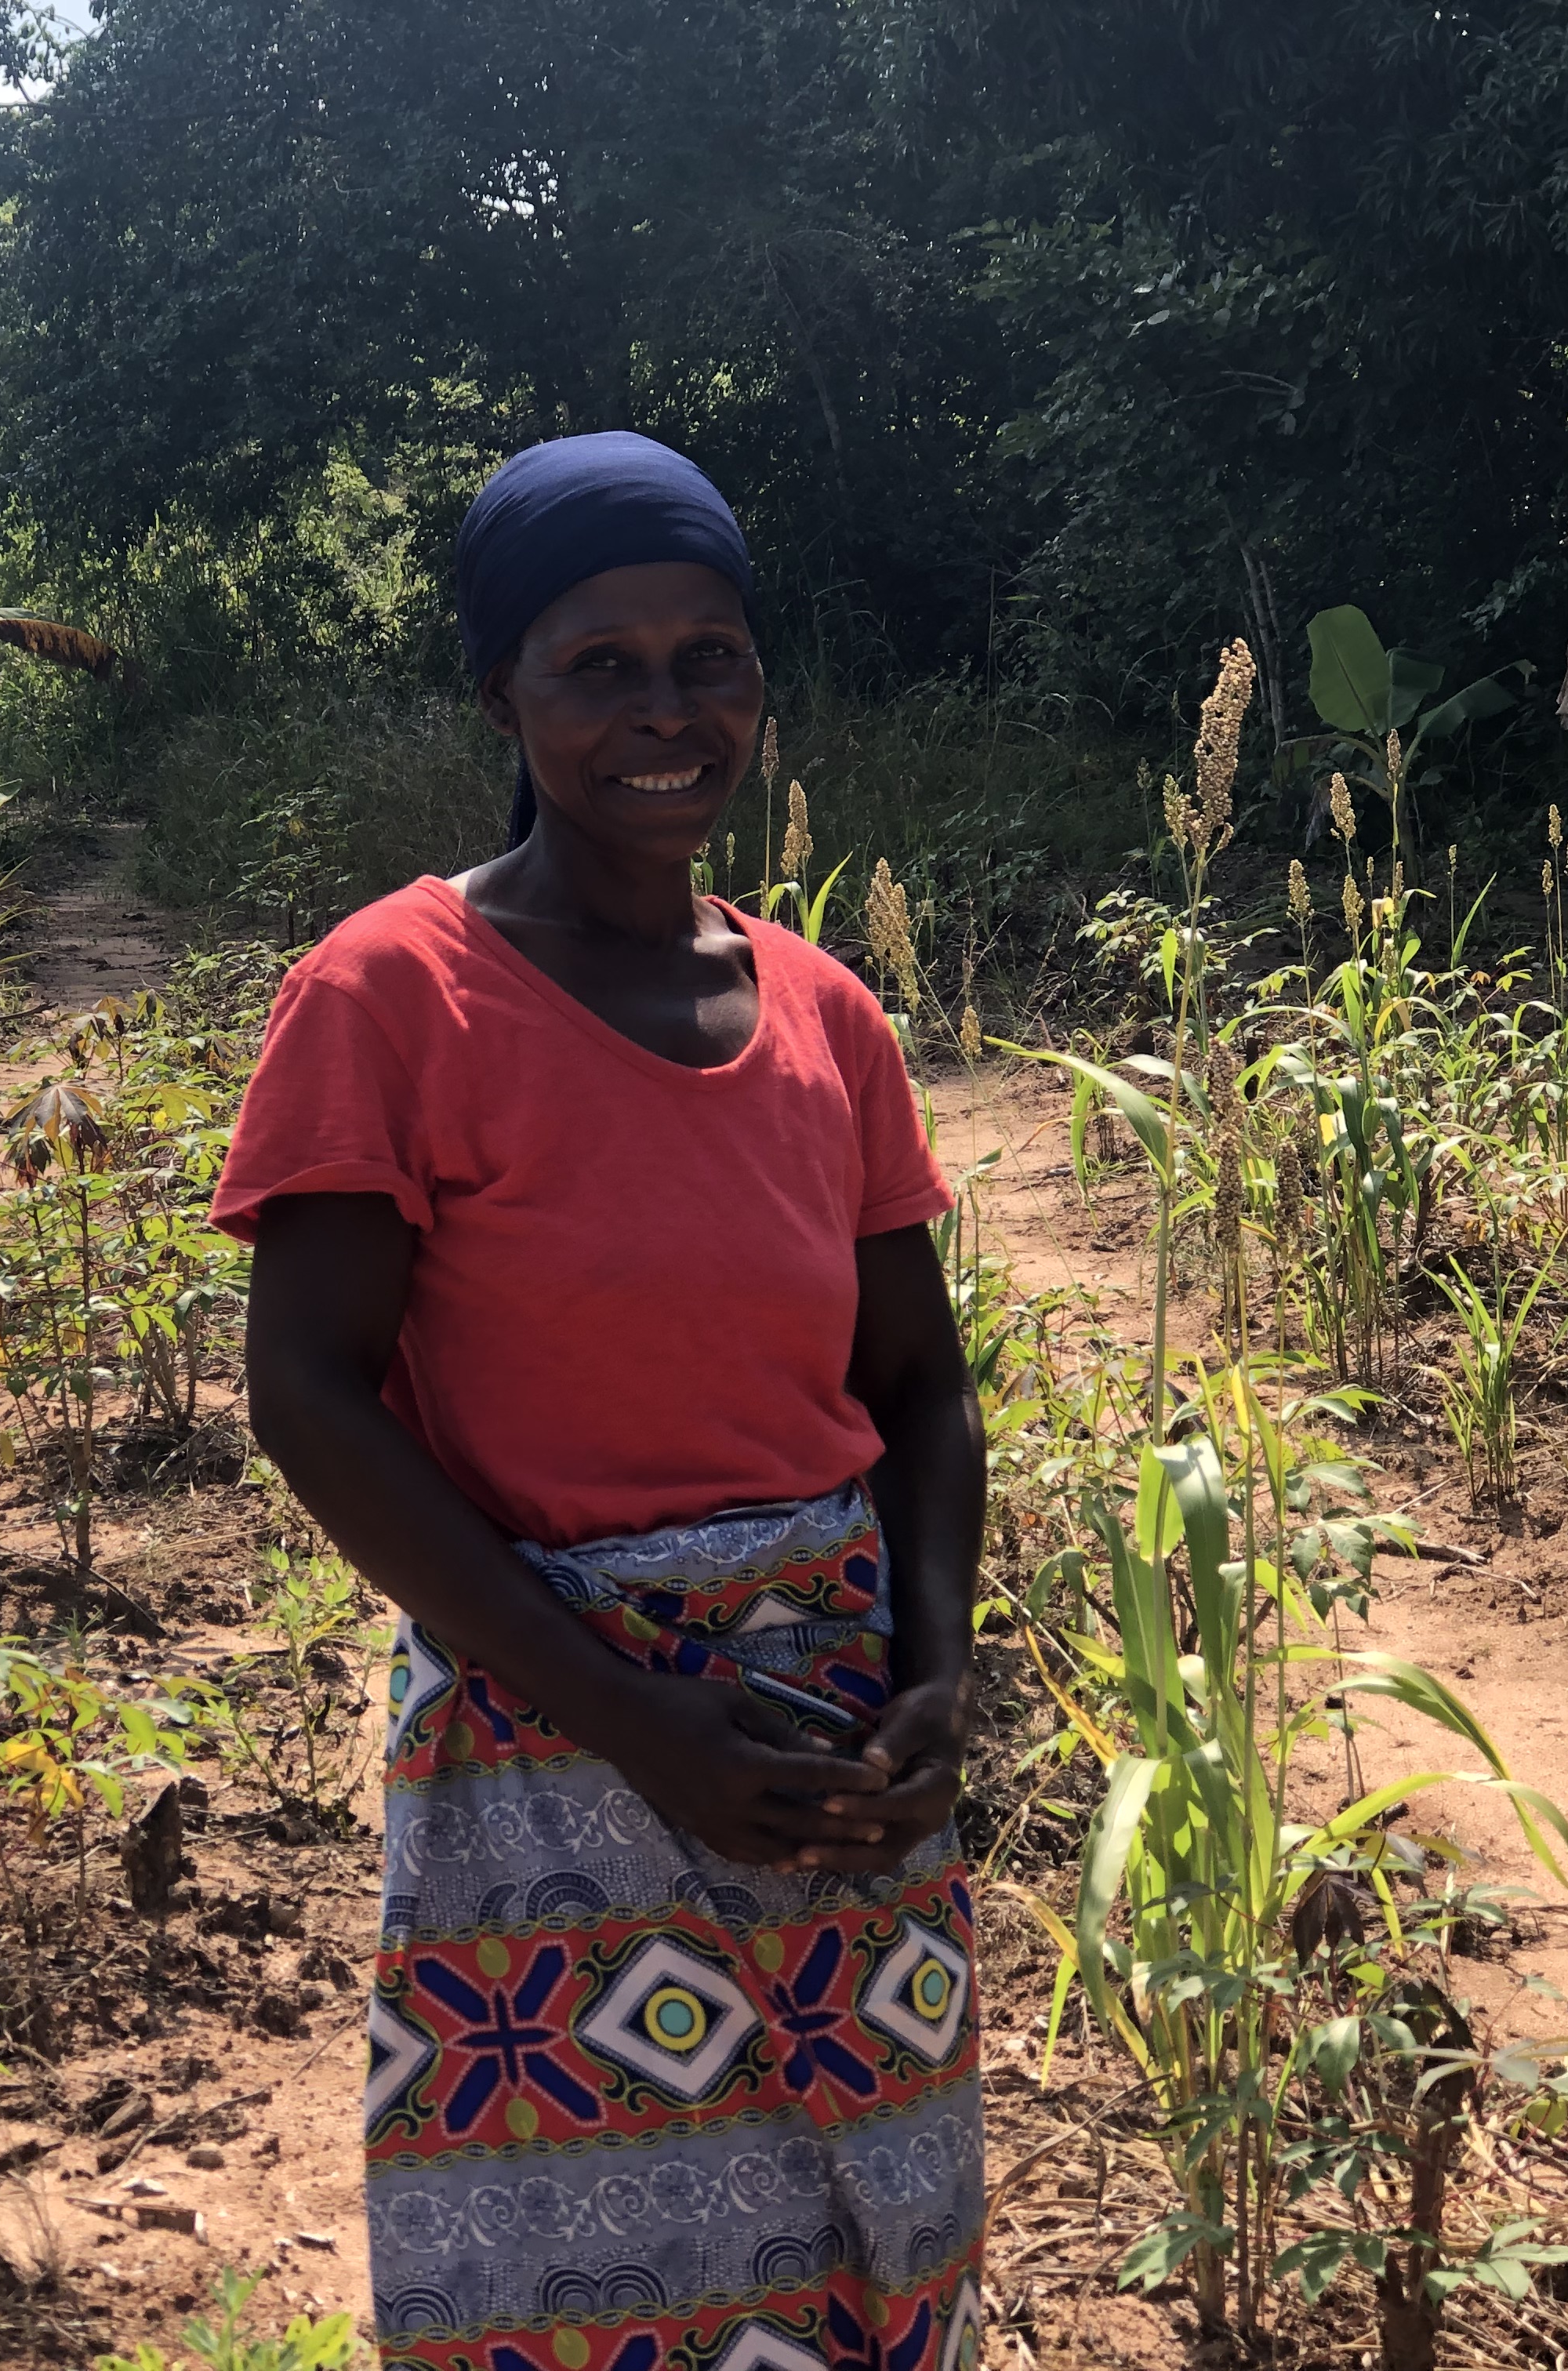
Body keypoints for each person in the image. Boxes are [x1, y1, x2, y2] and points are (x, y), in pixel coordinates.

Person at [216, 430, 986, 2371]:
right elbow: (309, 1398)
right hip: (551, 1721)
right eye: (601, 665)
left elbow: (919, 1385)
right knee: (576, 2265)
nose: (668, 712)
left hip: (830, 1729)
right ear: (506, 693)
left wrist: (940, 1674)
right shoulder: (390, 995)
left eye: (708, 658)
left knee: (874, 2235)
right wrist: (636, 1718)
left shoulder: (825, 1011)